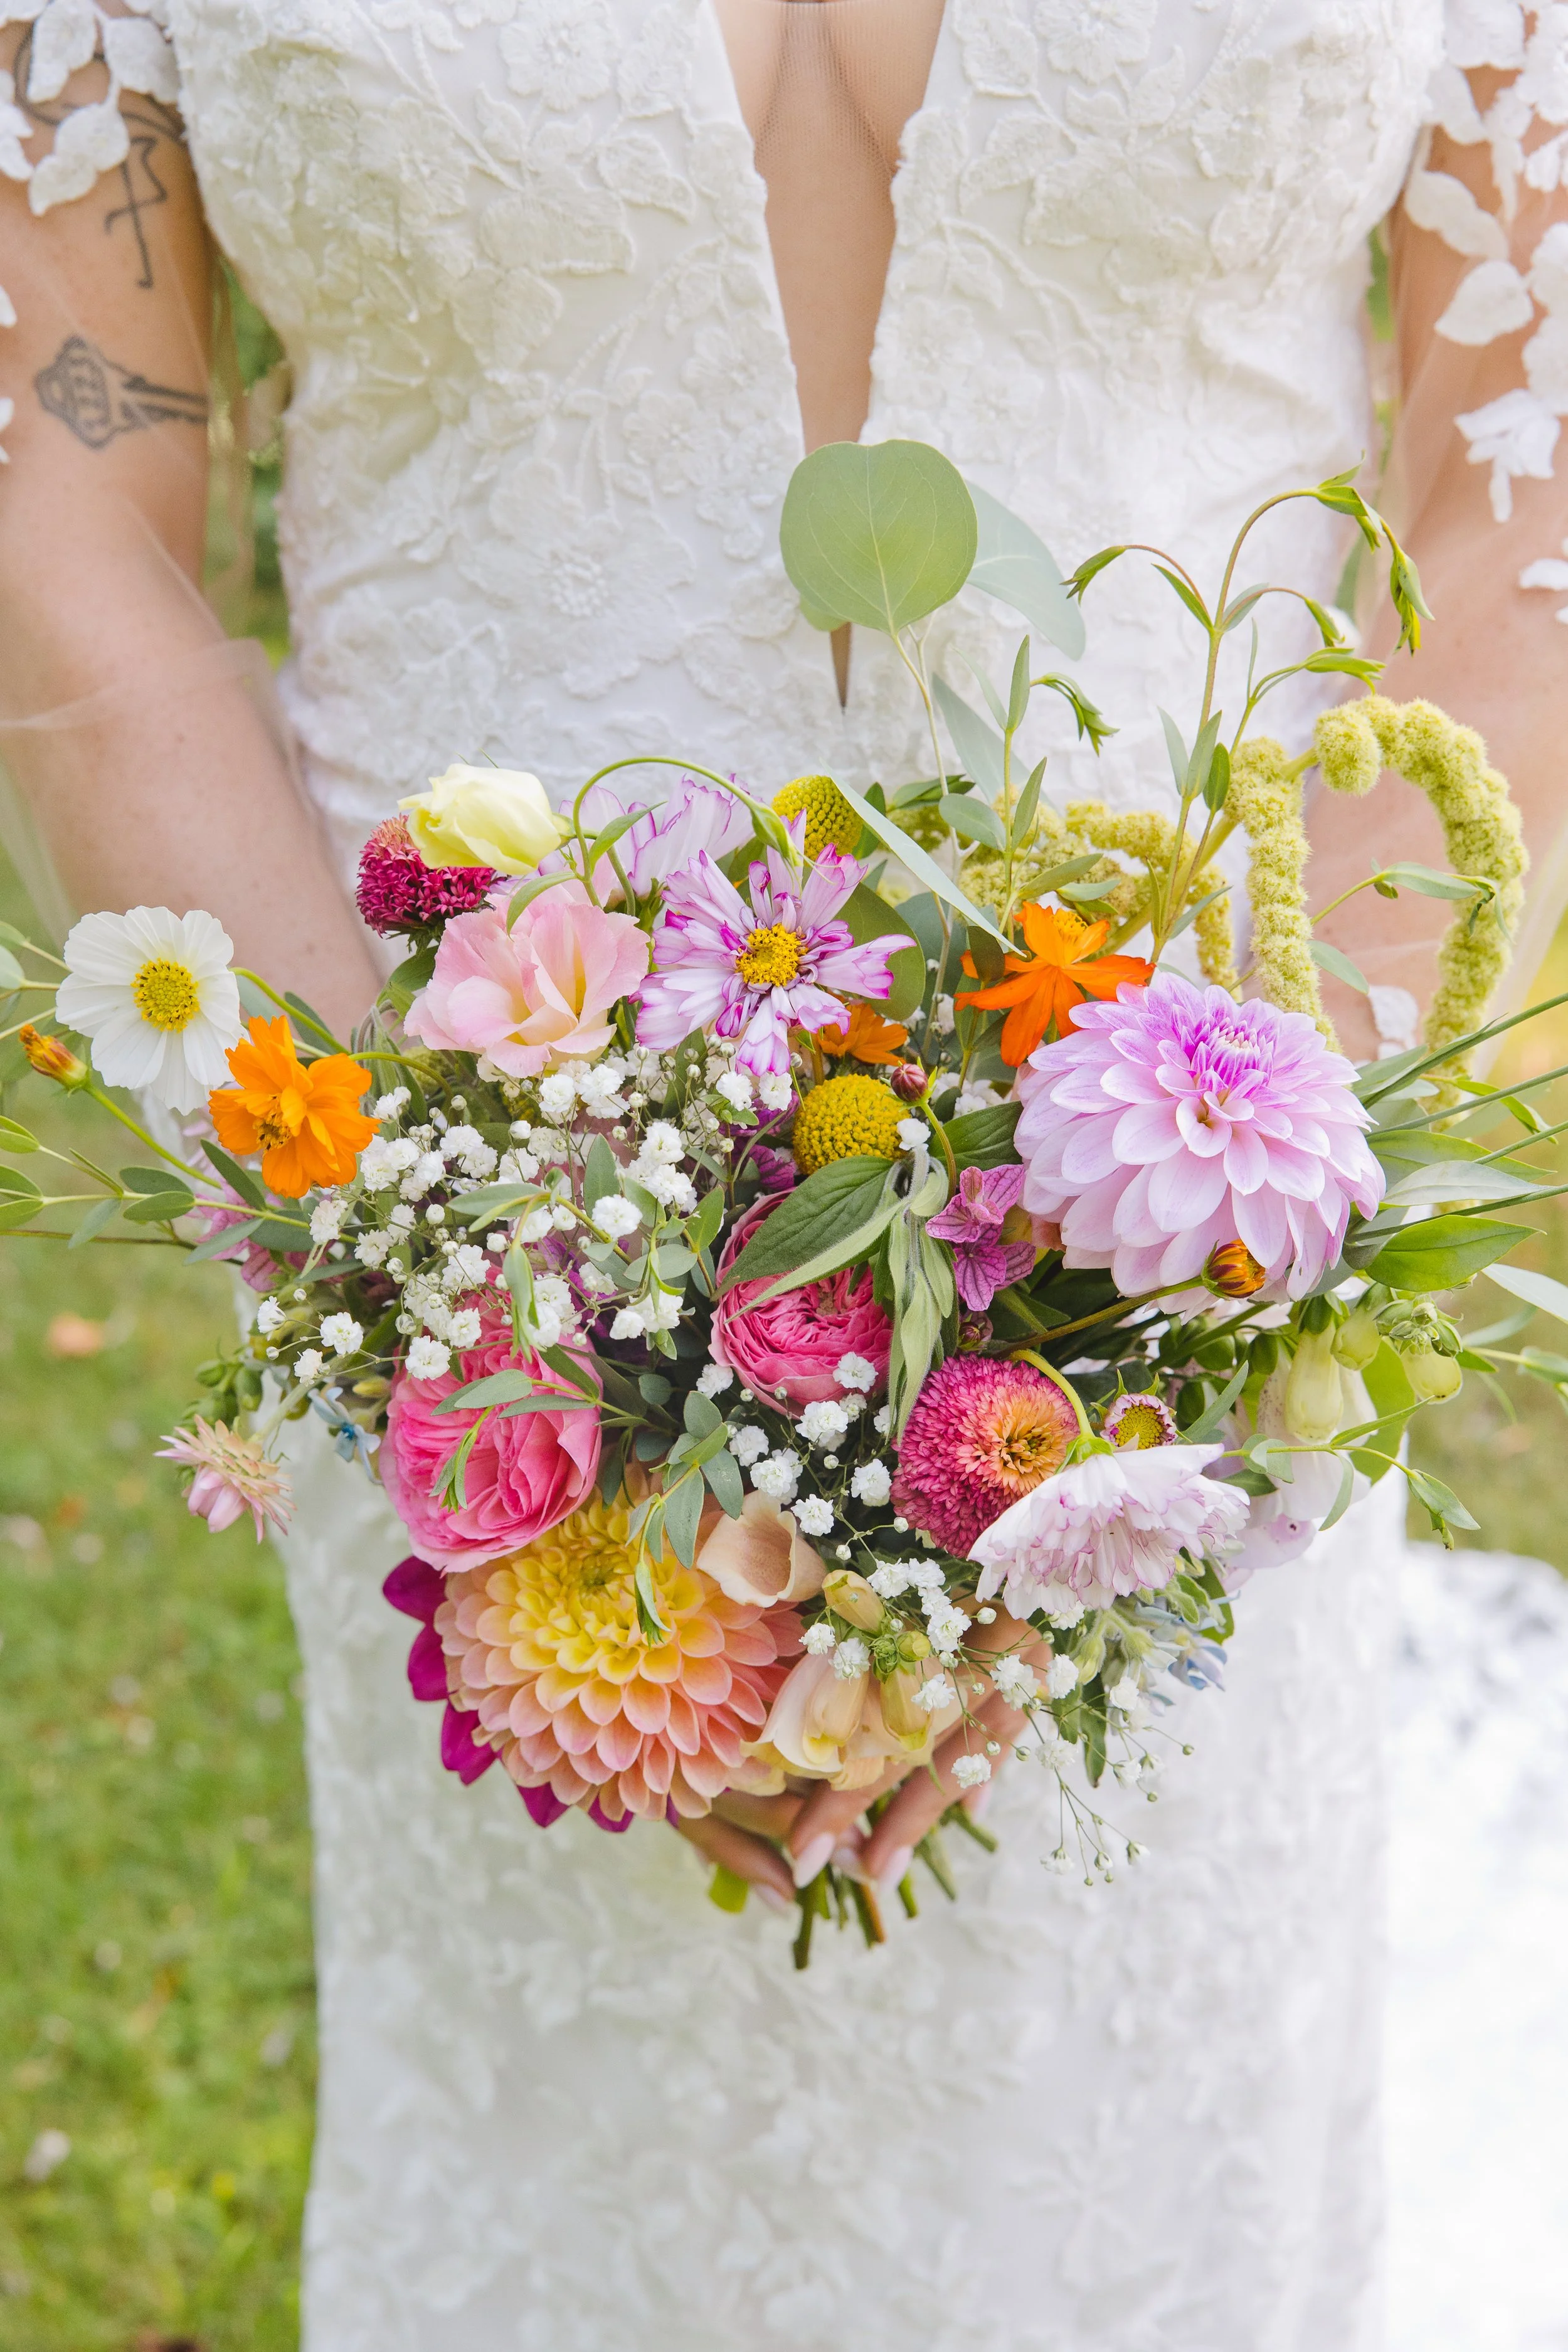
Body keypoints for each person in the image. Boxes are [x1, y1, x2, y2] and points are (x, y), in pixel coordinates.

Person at [2, 4, 1565, 2345]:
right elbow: (64, 482)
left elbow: (1514, 480)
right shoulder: (450, 1282)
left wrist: (1185, 1284)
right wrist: (437, 1284)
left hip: (1206, 1229)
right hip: (454, 1236)